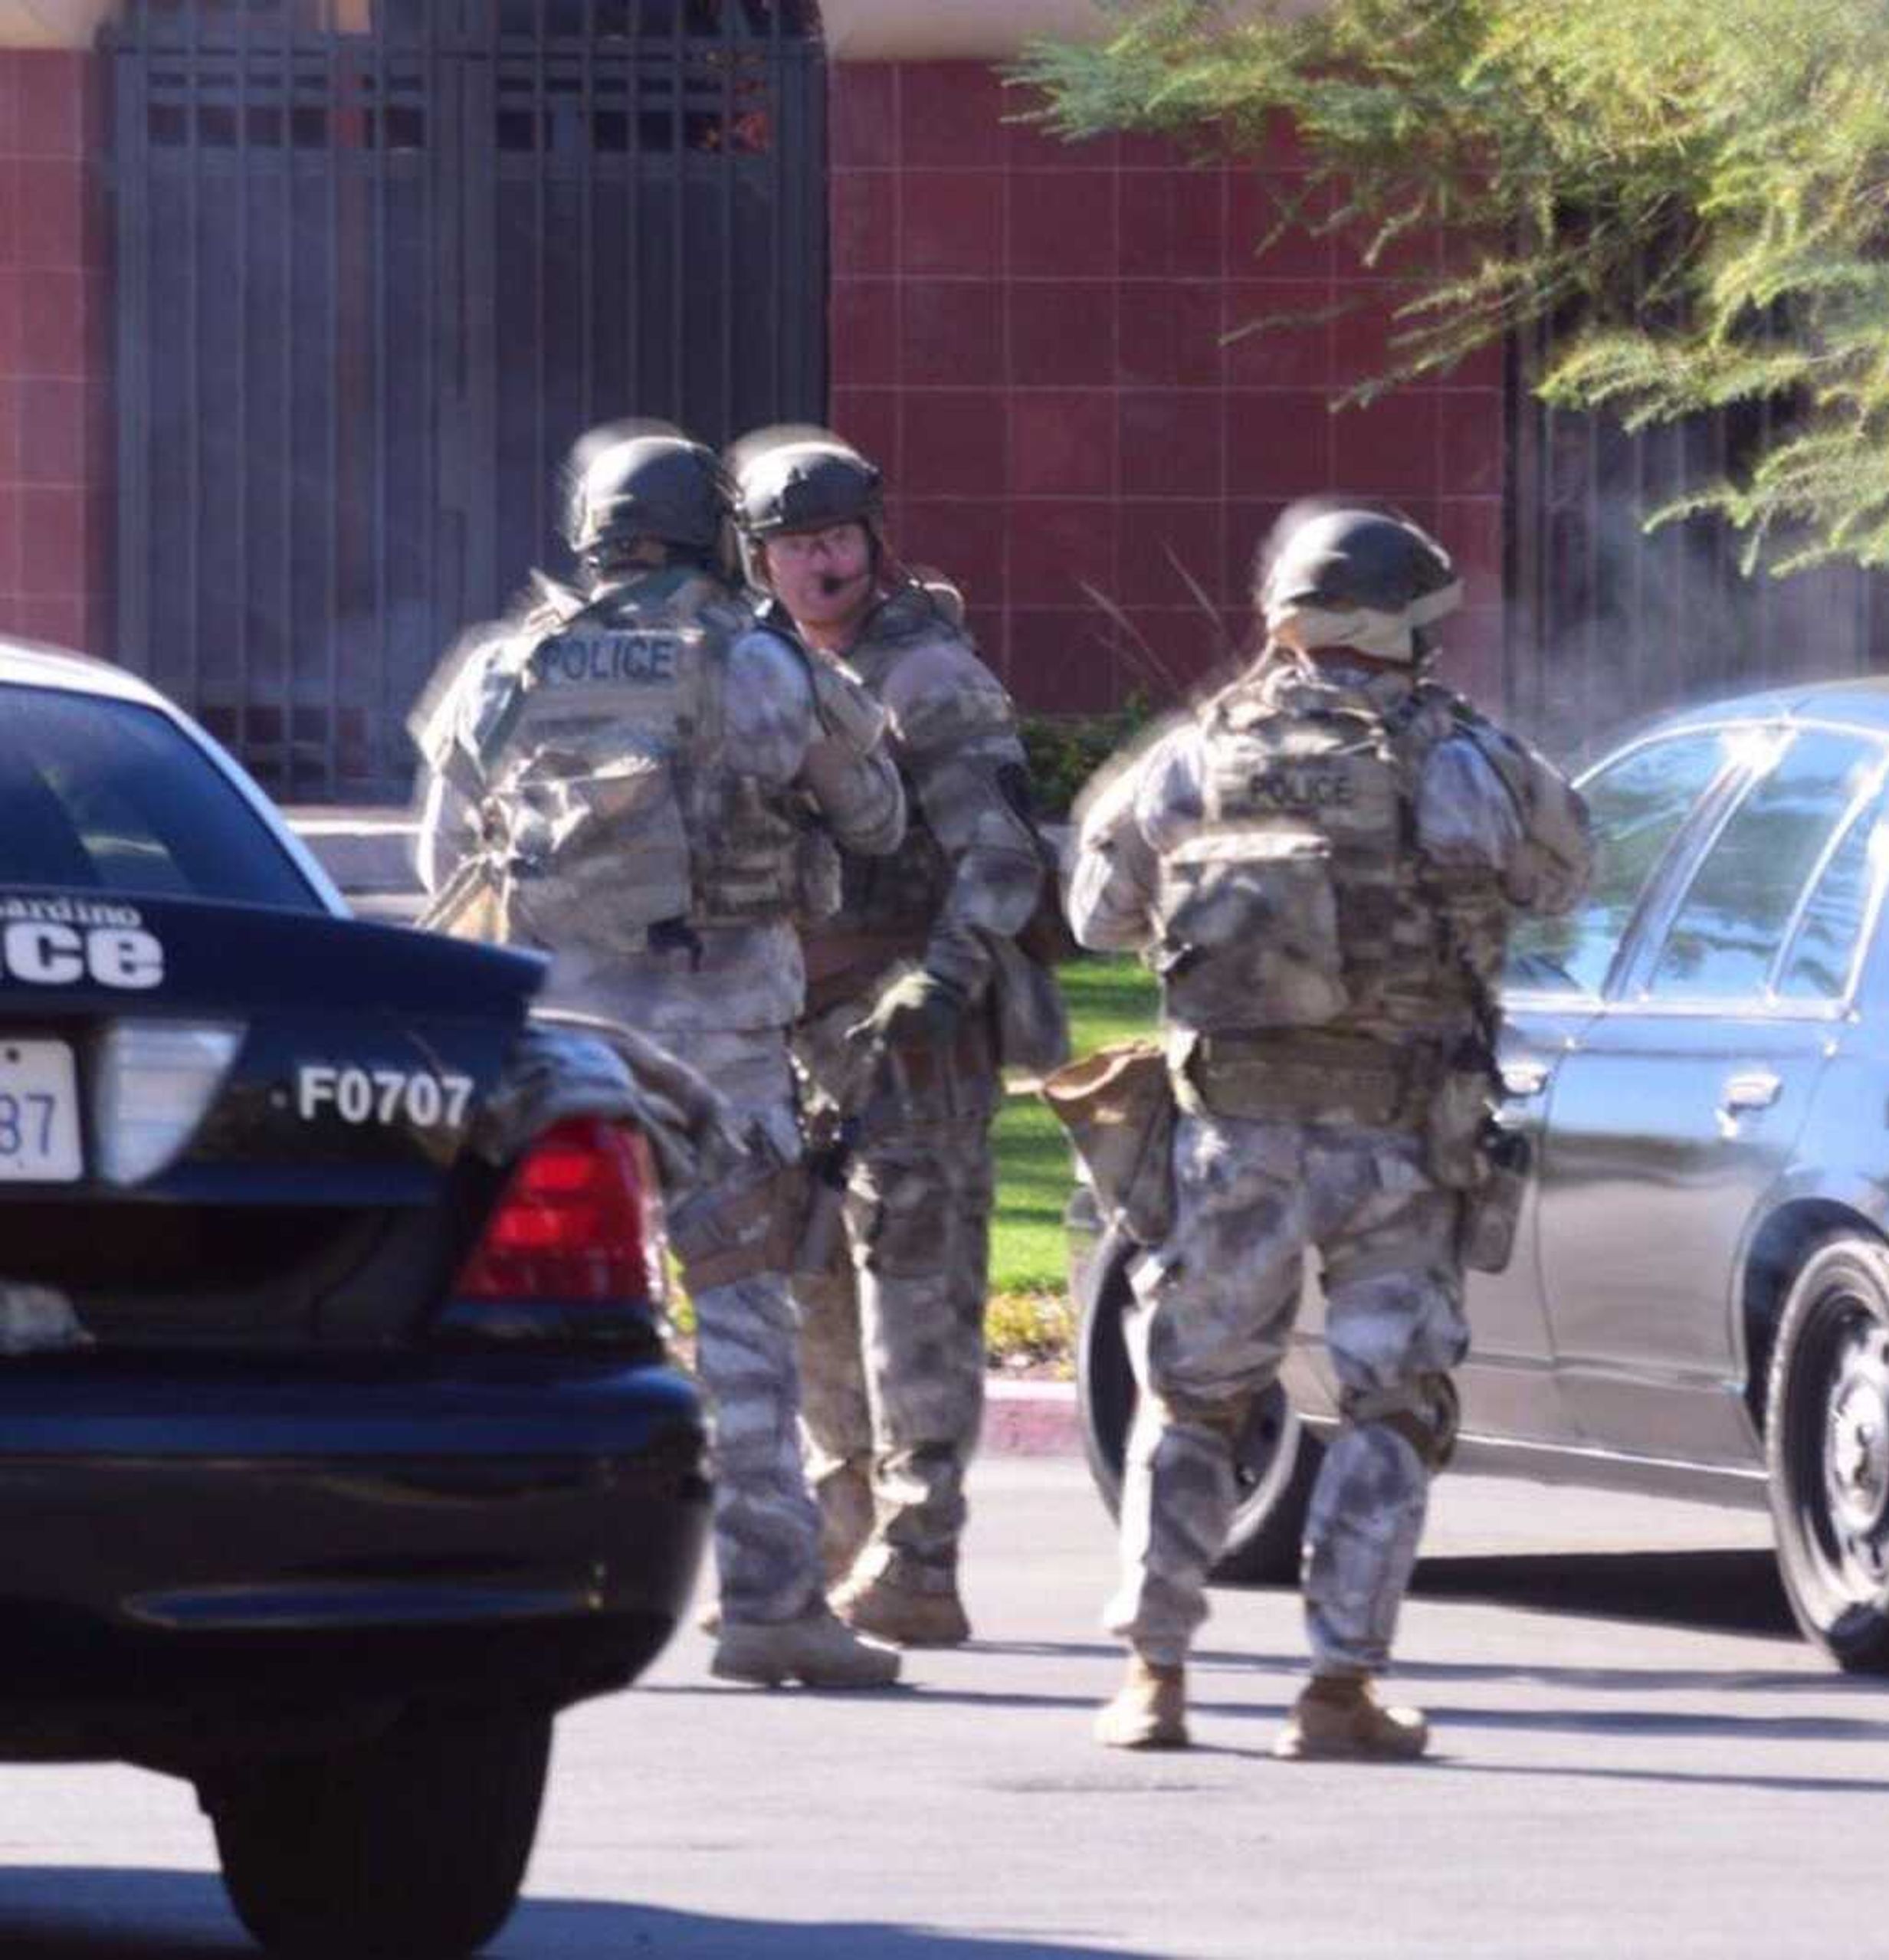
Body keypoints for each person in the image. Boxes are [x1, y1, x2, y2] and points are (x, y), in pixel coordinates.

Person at [1066, 503, 1592, 1758]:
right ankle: (1338, 1689)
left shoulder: (1194, 754)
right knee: (1389, 1404)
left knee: (1193, 1397)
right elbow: (1565, 877)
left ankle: (1154, 1675)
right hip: (1405, 1140)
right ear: (1406, 625)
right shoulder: (1466, 758)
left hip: (1232, 1136)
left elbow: (1094, 913)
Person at [414, 420, 912, 1689]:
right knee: (742, 1307)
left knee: (513, 1312)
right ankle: (771, 1605)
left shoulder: (501, 665)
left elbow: (440, 867)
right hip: (722, 1037)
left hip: (557, 1043)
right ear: (710, 528)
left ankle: (491, 1591)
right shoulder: (754, 659)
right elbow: (877, 814)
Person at [730, 425, 1064, 1648]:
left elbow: (1003, 856)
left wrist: (943, 980)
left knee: (915, 1289)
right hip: (793, 1029)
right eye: (794, 543)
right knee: (810, 1277)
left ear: (876, 538)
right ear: (757, 556)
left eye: (838, 537)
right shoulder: (758, 671)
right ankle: (841, 1535)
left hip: (915, 1027)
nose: (821, 563)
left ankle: (920, 1552)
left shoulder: (931, 678)